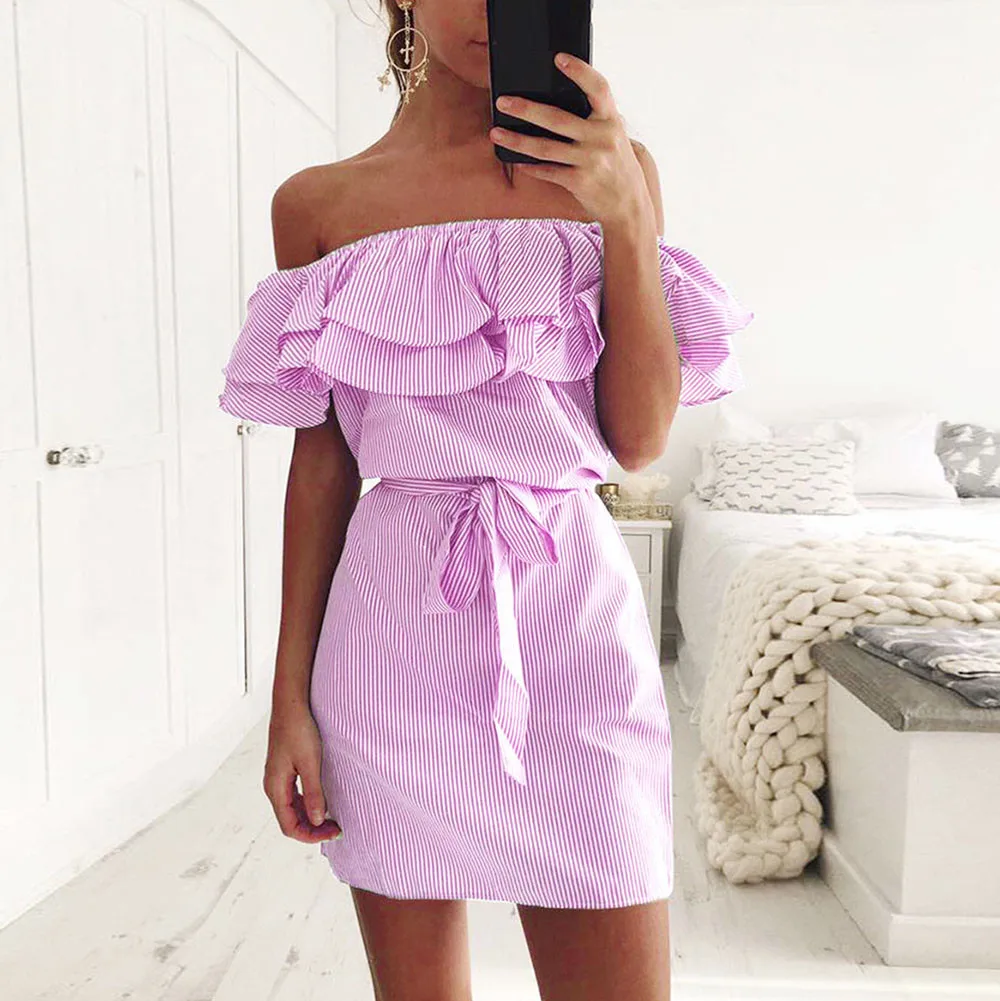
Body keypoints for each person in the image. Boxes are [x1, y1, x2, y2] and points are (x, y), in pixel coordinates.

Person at [217, 2, 754, 998]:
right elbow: (322, 463)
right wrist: (289, 697)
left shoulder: (615, 170)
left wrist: (624, 217)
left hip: (570, 609)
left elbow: (638, 439)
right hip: (389, 633)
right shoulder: (318, 203)